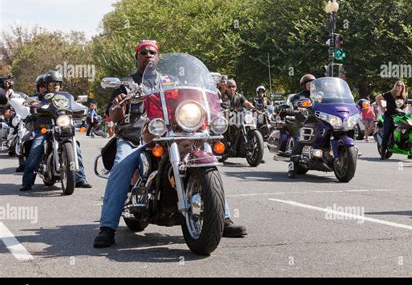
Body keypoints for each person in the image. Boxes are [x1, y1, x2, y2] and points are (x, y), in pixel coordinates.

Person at [93, 41, 246, 248]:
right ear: (137, 57)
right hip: (134, 135)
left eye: (152, 52)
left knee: (204, 149)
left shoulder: (169, 80)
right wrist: (120, 103)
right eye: (143, 52)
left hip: (171, 130)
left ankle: (221, 218)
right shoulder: (126, 84)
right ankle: (107, 227)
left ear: (158, 57)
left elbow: (189, 96)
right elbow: (113, 115)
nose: (148, 55)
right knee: (122, 165)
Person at [20, 70, 92, 191]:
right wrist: (32, 103)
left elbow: (73, 105)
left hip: (62, 125)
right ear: (47, 85)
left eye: (57, 84)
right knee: (36, 147)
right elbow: (33, 103)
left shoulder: (65, 97)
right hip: (46, 126)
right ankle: (27, 181)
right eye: (52, 84)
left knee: (76, 147)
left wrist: (79, 109)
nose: (55, 86)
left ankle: (80, 179)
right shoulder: (42, 97)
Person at [287, 74, 316, 179]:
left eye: (313, 83)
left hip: (318, 121)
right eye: (309, 83)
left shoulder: (319, 95)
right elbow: (296, 104)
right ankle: (291, 167)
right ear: (304, 85)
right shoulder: (299, 96)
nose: (312, 85)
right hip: (303, 122)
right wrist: (299, 108)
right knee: (301, 139)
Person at [375, 81, 408, 160]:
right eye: (398, 85)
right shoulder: (389, 94)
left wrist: (405, 112)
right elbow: (377, 98)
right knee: (387, 133)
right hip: (389, 116)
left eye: (402, 86)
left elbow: (406, 106)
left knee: (406, 131)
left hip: (400, 117)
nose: (400, 87)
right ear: (395, 86)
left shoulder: (404, 96)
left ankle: (409, 151)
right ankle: (383, 154)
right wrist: (382, 108)